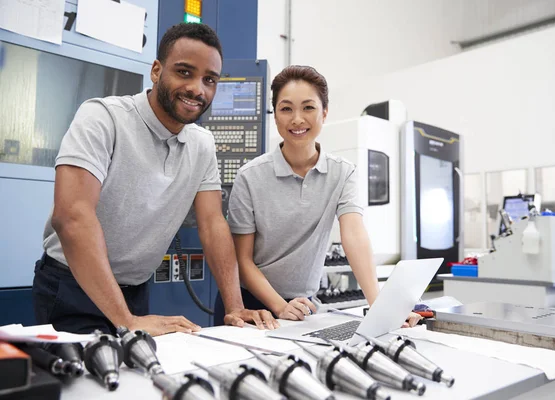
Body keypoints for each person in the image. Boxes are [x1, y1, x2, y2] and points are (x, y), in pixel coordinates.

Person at [31, 23, 278, 336]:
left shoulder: (202, 144)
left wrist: (234, 307)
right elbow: (72, 218)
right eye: (184, 72)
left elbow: (213, 224)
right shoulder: (103, 118)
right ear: (156, 70)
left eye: (209, 80)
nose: (197, 89)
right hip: (71, 288)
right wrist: (127, 320)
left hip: (135, 292)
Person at [213, 65, 422, 328]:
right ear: (275, 116)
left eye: (308, 107)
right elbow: (241, 260)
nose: (297, 119)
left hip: (304, 305)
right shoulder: (249, 177)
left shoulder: (342, 173)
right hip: (253, 307)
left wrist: (380, 306)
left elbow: (354, 236)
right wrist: (279, 306)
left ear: (324, 112)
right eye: (286, 108)